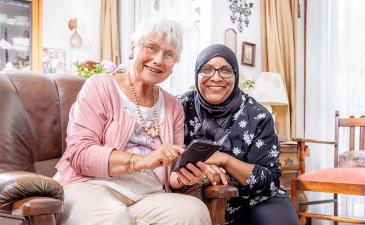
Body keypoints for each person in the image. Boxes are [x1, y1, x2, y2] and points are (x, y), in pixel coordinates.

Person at [54, 19, 211, 225]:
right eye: (151, 48)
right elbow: (80, 154)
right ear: (132, 48)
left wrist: (184, 176)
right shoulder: (99, 87)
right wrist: (144, 161)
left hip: (148, 196)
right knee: (116, 217)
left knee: (194, 211)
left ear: (174, 64)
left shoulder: (174, 106)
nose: (158, 60)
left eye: (169, 54)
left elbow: (169, 174)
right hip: (92, 186)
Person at [177, 44, 300, 225]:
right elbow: (165, 155)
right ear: (197, 73)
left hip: (253, 199)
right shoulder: (180, 106)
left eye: (225, 71)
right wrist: (200, 167)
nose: (216, 77)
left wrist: (223, 159)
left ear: (235, 75)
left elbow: (269, 181)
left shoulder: (258, 116)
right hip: (193, 195)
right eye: (207, 69)